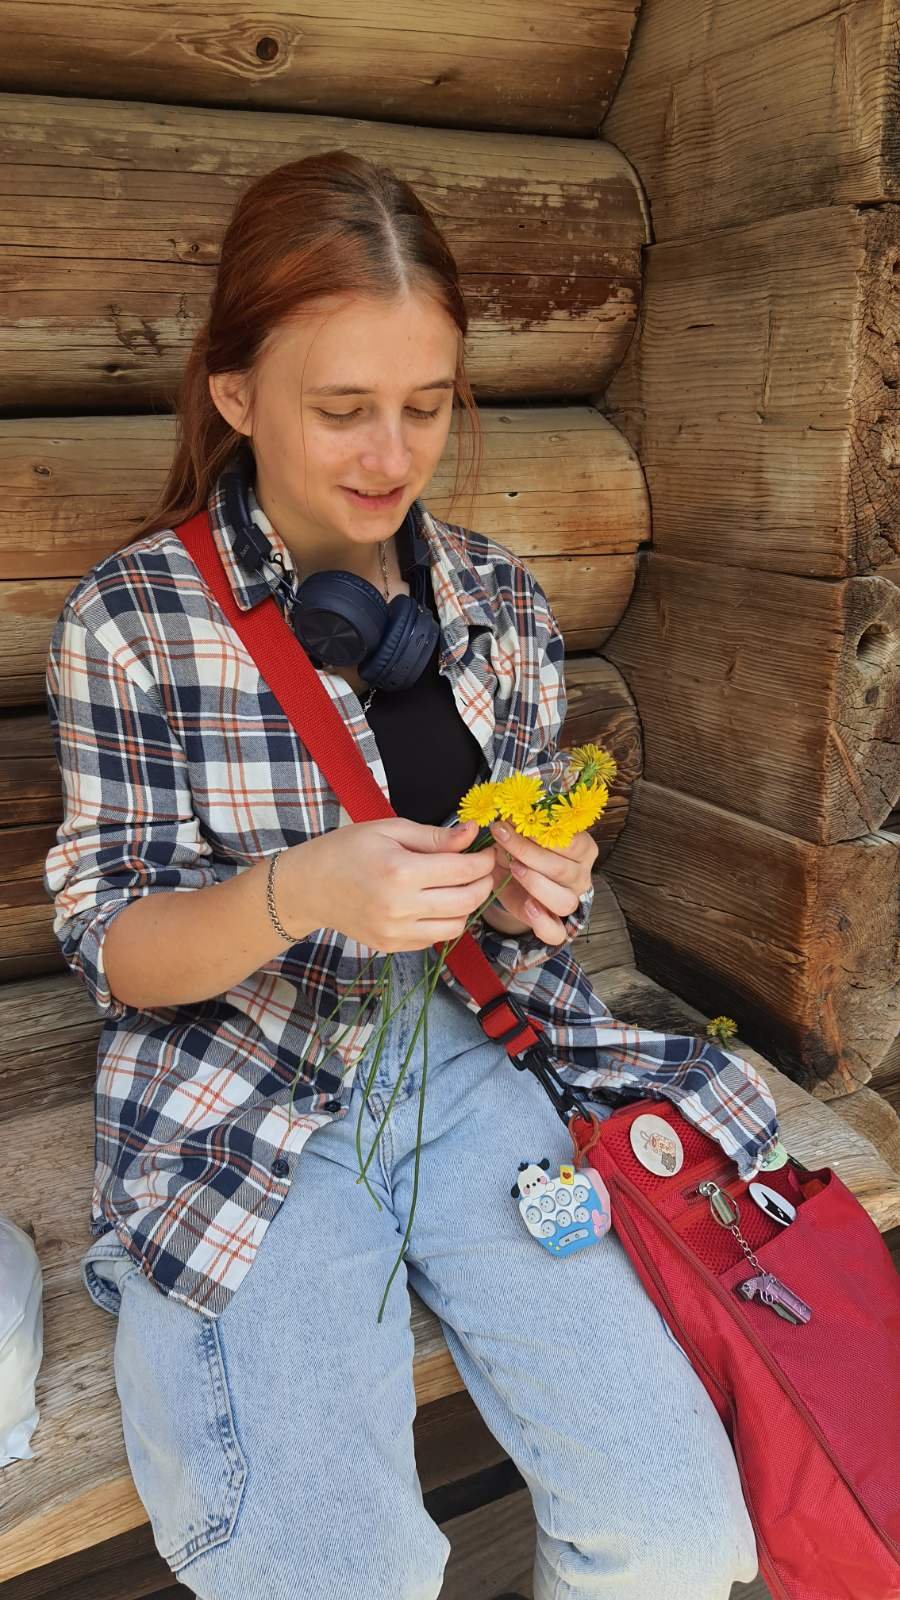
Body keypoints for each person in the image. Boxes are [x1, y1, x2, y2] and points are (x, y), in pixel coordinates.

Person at [44, 151, 775, 1600]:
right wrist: (300, 894)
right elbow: (114, 946)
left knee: (682, 1536)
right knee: (338, 1570)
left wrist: (532, 887)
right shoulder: (132, 622)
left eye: (428, 405)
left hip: (481, 1058)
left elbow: (524, 870)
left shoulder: (497, 599)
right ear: (236, 394)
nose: (392, 453)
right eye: (342, 409)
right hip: (245, 1090)